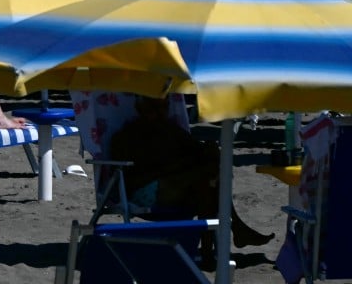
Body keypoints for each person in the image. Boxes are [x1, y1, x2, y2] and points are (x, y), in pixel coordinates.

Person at [108, 96, 273, 250]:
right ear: (139, 109)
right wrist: (179, 167)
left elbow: (197, 151)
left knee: (207, 182)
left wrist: (209, 150)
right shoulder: (128, 136)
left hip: (176, 186)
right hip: (145, 193)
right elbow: (135, 178)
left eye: (164, 108)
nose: (159, 113)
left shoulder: (170, 130)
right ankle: (235, 229)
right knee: (205, 180)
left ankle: (217, 246)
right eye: (153, 109)